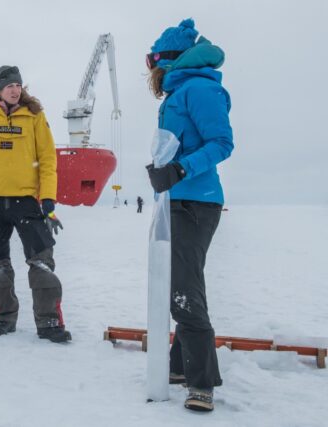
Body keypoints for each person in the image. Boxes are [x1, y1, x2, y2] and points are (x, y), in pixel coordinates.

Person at [144, 19, 233, 411]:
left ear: (170, 60)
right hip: (175, 200)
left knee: (184, 288)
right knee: (172, 282)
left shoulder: (199, 89)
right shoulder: (178, 92)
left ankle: (202, 383)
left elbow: (222, 143)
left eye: (153, 63)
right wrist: (164, 169)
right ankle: (179, 366)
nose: (151, 72)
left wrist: (180, 170)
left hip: (197, 202)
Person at [0, 65, 71, 343]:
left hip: (25, 201)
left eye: (18, 85)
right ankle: (4, 317)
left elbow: (47, 161)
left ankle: (48, 322)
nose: (15, 89)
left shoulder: (35, 117)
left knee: (42, 261)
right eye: (9, 85)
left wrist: (48, 202)